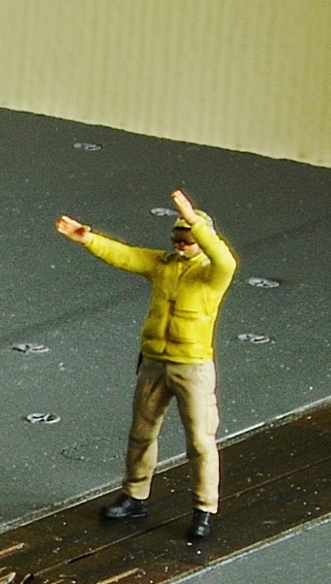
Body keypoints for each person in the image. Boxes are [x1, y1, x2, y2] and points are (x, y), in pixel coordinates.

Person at [58, 188, 237, 542]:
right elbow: (126, 256)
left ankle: (204, 509)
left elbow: (224, 258)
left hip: (192, 367)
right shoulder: (163, 266)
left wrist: (194, 219)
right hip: (155, 362)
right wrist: (88, 239)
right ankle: (135, 495)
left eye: (188, 240)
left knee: (200, 442)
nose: (180, 245)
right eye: (177, 239)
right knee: (141, 433)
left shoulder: (213, 274)